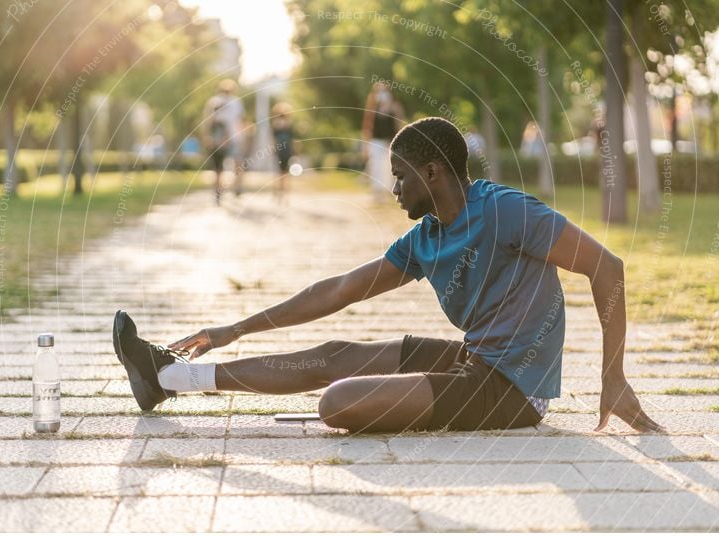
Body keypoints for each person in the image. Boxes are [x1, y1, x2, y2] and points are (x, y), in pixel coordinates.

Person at [113, 116, 663, 434]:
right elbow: (337, 291)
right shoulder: (425, 239)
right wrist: (235, 328)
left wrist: (611, 375)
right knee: (336, 353)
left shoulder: (505, 212)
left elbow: (606, 268)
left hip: (515, 395)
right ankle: (169, 378)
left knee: (337, 402)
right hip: (475, 363)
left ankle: (175, 380)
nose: (393, 187)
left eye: (400, 176)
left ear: (432, 172)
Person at [202, 79, 245, 204]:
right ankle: (222, 191)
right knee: (222, 167)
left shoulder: (236, 102)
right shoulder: (214, 102)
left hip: (231, 137)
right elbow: (209, 121)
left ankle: (233, 189)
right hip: (224, 137)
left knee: (227, 166)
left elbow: (239, 121)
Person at [362, 82, 404, 202]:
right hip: (375, 142)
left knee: (389, 167)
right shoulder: (372, 108)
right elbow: (367, 128)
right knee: (376, 166)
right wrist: (365, 145)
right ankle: (376, 193)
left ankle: (389, 192)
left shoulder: (395, 107)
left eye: (384, 91)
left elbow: (398, 125)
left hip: (389, 142)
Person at [270, 102, 296, 203]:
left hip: (280, 150)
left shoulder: (275, 124)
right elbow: (292, 140)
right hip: (286, 150)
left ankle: (278, 194)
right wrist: (294, 151)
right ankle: (285, 195)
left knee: (278, 173)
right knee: (286, 173)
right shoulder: (289, 124)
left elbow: (273, 139)